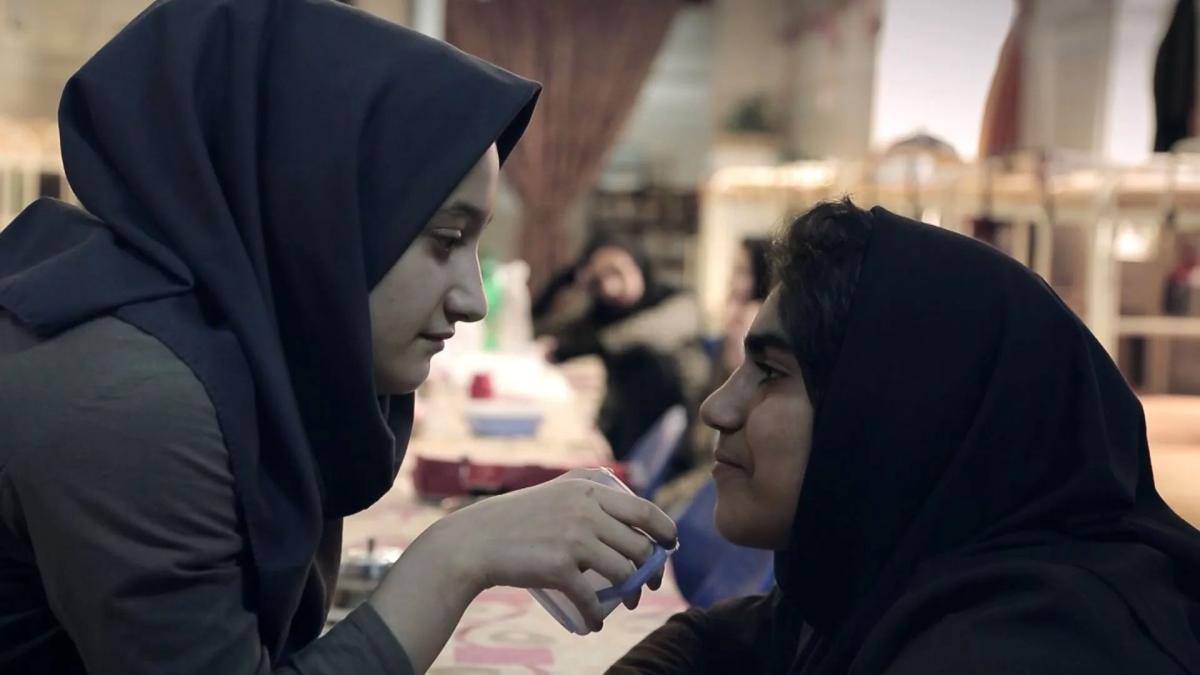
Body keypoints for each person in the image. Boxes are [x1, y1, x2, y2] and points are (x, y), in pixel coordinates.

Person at [0, 2, 677, 673]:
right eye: (446, 238)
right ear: (312, 214)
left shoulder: (225, 346)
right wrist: (457, 555)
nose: (472, 299)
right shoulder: (131, 398)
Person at [611, 199, 1200, 674]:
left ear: (895, 407)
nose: (718, 407)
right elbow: (720, 637)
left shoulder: (1025, 649)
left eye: (770, 373)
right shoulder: (893, 569)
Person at [534, 231, 710, 470]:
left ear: (638, 263)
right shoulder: (605, 312)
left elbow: (632, 336)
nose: (610, 287)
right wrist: (567, 278)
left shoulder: (677, 301)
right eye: (600, 278)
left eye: (617, 272)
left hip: (679, 442)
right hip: (617, 434)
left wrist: (584, 347)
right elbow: (543, 330)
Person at [716, 237, 771, 383]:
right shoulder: (734, 315)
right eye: (734, 270)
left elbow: (742, 375)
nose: (732, 280)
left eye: (742, 271)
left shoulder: (757, 318)